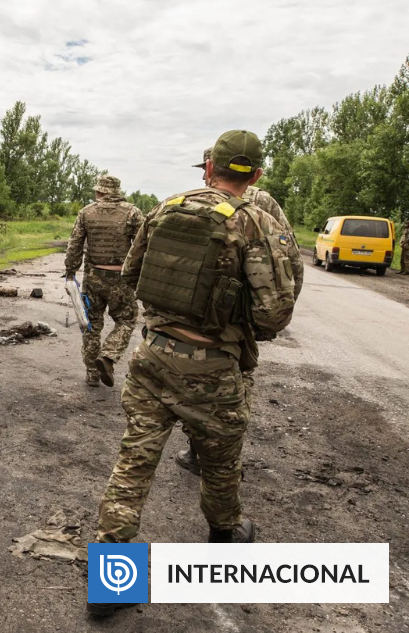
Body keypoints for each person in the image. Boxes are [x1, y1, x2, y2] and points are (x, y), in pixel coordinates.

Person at [89, 130, 299, 618]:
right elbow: (273, 316)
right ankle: (224, 539)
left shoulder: (165, 209)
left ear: (209, 168)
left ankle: (108, 588)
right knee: (220, 463)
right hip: (214, 370)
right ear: (257, 175)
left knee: (134, 462)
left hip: (153, 358)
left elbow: (132, 275)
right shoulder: (256, 223)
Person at [174, 150, 305, 475]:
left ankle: (206, 454)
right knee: (231, 379)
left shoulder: (197, 202)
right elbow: (292, 259)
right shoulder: (259, 202)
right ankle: (212, 453)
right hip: (240, 315)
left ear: (211, 168)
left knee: (204, 380)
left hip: (211, 313)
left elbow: (289, 255)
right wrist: (274, 315)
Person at [63, 175, 144, 387]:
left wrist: (70, 273)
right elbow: (143, 246)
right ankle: (108, 355)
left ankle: (92, 373)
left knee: (91, 325)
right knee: (126, 320)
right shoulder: (132, 213)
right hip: (122, 279)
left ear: (100, 192)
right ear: (116, 192)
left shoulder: (86, 213)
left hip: (93, 277)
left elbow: (74, 246)